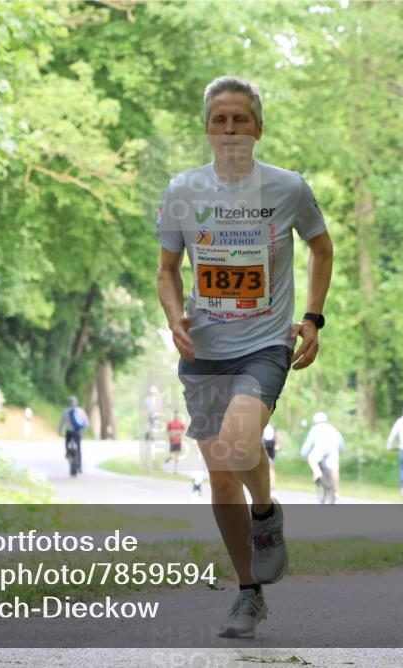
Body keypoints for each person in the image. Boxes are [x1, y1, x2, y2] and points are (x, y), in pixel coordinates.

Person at [155, 75, 333, 638]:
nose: (229, 129)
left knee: (236, 445)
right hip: (203, 349)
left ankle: (265, 514)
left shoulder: (288, 189)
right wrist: (172, 316)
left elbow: (321, 247)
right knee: (221, 477)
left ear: (258, 128)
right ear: (207, 129)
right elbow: (166, 270)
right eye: (219, 120)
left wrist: (313, 316)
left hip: (263, 345)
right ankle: (248, 593)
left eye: (240, 119)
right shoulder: (184, 190)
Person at [299, 412, 343, 504]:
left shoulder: (315, 429)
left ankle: (318, 473)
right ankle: (337, 492)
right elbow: (341, 443)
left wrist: (303, 454)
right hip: (333, 450)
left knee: (311, 459)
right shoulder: (333, 429)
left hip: (320, 450)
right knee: (335, 469)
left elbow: (308, 443)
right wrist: (339, 451)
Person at [58, 395, 89, 475]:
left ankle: (68, 453)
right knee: (78, 449)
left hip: (69, 432)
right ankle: (79, 467)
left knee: (67, 444)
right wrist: (83, 431)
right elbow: (86, 423)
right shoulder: (81, 411)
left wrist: (60, 431)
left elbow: (62, 423)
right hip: (77, 432)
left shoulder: (65, 411)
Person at [262, 422, 282, 489]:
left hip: (267, 447)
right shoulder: (272, 427)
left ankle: (271, 485)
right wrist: (278, 446)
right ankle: (271, 485)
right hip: (270, 447)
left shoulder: (267, 426)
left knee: (269, 468)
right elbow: (279, 438)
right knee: (270, 468)